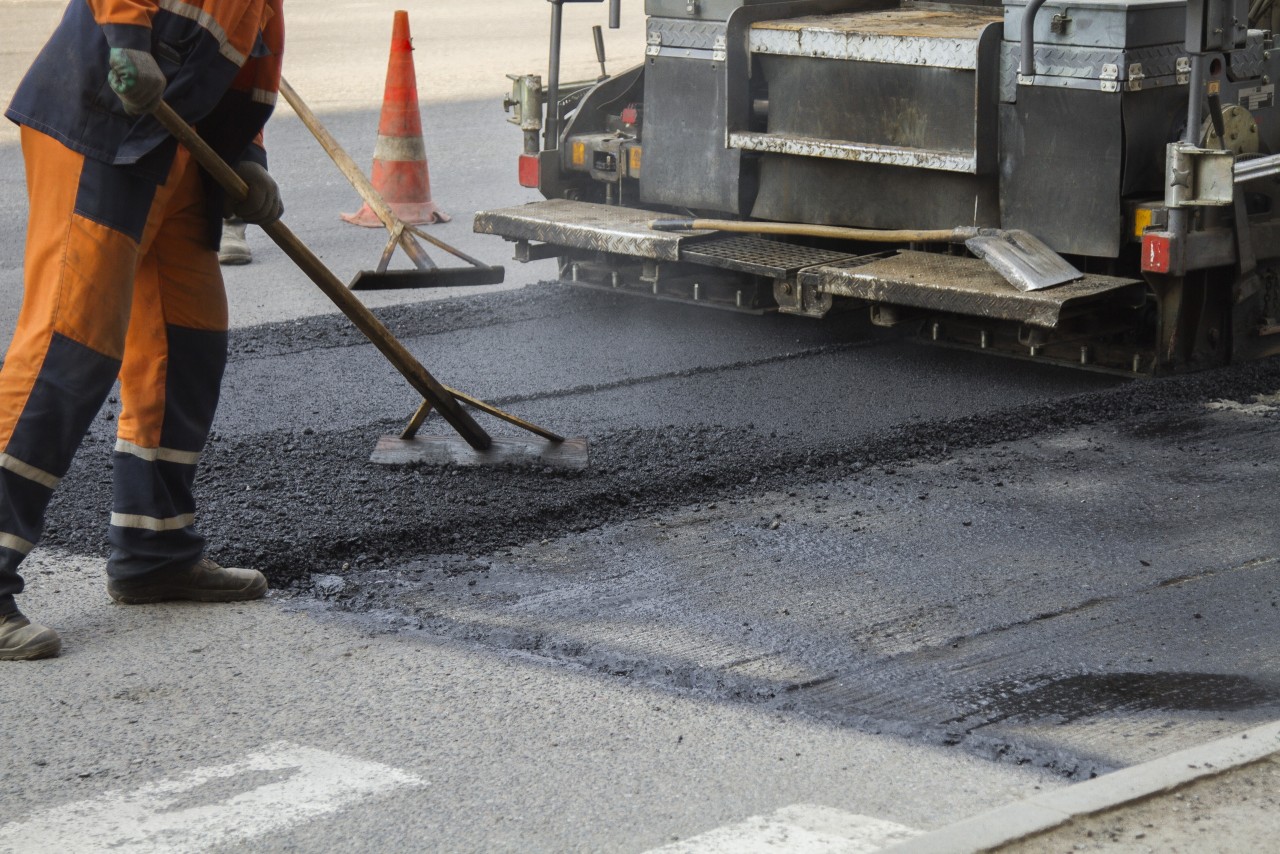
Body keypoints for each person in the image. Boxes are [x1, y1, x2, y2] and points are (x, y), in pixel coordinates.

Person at [0, 0, 286, 660]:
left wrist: (246, 157)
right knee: (68, 347)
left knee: (188, 344)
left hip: (173, 151)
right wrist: (128, 39)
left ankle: (154, 547)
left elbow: (249, 74)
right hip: (100, 123)